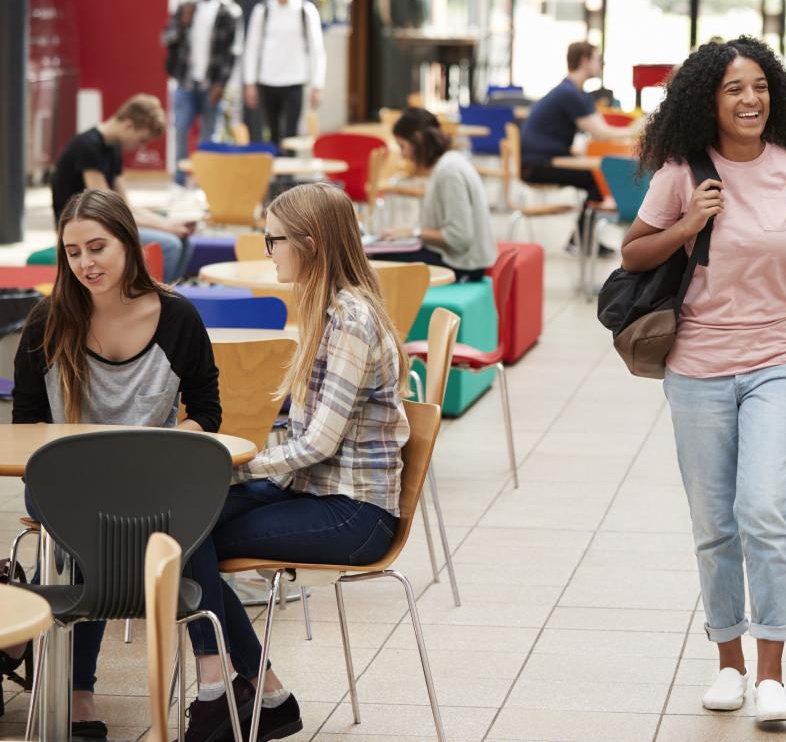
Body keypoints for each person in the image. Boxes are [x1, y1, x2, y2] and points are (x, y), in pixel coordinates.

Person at [620, 37, 786, 724]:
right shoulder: (684, 172)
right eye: (734, 89)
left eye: (760, 87)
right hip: (697, 368)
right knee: (715, 523)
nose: (750, 100)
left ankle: (772, 672)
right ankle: (729, 663)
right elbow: (632, 252)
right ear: (707, 100)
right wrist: (690, 221)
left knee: (765, 507)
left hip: (778, 360)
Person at [181, 182, 409, 742]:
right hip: (315, 491)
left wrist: (236, 467)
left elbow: (317, 446)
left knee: (185, 538)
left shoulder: (350, 321)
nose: (269, 252)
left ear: (308, 244)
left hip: (354, 514)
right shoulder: (329, 308)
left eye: (273, 240)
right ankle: (261, 692)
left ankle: (227, 690)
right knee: (180, 520)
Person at [11, 188, 221, 741]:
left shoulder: (177, 318)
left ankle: (75, 688)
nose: (85, 264)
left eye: (97, 247)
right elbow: (29, 425)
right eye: (73, 252)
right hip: (63, 483)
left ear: (129, 242)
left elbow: (206, 412)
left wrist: (165, 454)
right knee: (108, 520)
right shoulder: (46, 323)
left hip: (149, 484)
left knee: (152, 513)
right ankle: (222, 679)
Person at [50, 94, 195, 282]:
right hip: (82, 229)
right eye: (142, 140)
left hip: (104, 224)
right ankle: (154, 299)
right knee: (170, 245)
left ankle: (171, 295)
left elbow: (125, 206)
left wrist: (172, 224)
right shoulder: (87, 147)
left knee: (186, 242)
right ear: (128, 125)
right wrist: (166, 226)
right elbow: (108, 210)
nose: (140, 147)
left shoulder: (114, 149)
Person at [520, 40, 640, 254]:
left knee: (596, 176)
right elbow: (601, 133)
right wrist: (636, 130)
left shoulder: (572, 92)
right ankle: (581, 240)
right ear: (584, 61)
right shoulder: (570, 94)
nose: (601, 64)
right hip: (535, 165)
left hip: (541, 160)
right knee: (596, 178)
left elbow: (597, 129)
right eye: (597, 59)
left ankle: (581, 238)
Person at [378, 107, 496, 282]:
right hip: (462, 259)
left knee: (376, 259)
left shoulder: (449, 171)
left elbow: (460, 237)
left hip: (463, 265)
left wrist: (413, 233)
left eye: (403, 146)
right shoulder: (449, 163)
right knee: (382, 252)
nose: (403, 155)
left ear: (418, 139)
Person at [164, 0, 243, 178]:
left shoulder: (230, 12)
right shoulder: (187, 8)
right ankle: (179, 182)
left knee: (210, 138)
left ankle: (205, 184)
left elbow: (232, 54)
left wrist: (221, 84)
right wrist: (182, 24)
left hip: (212, 85)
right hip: (186, 82)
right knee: (181, 132)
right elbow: (166, 39)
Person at [242, 0, 326, 150]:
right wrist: (250, 83)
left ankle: (290, 177)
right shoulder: (262, 11)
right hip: (268, 79)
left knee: (291, 134)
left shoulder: (305, 10)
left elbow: (317, 50)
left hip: (294, 79)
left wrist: (317, 84)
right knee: (272, 133)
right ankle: (275, 175)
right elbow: (252, 48)